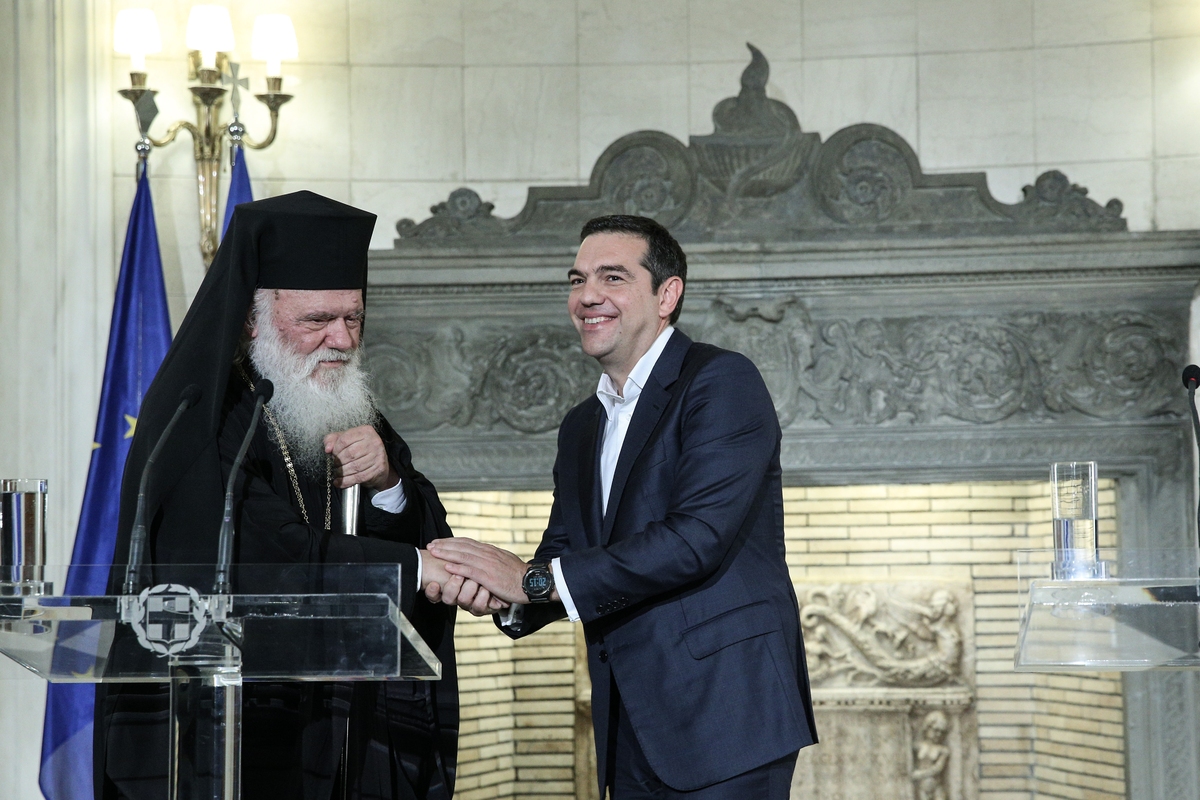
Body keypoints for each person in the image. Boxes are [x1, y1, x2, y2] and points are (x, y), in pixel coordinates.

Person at [97, 191, 495, 800]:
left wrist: (388, 484)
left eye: (353, 317)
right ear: (253, 318)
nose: (341, 339)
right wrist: (418, 567)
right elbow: (262, 555)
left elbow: (424, 519)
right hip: (235, 721)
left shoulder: (346, 405)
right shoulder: (202, 417)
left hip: (345, 722)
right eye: (316, 321)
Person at [427, 215, 818, 799]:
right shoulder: (581, 425)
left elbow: (695, 539)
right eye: (577, 279)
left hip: (724, 719)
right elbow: (562, 554)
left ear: (667, 294)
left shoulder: (721, 382)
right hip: (627, 723)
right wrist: (499, 593)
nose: (587, 296)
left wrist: (532, 582)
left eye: (612, 277)